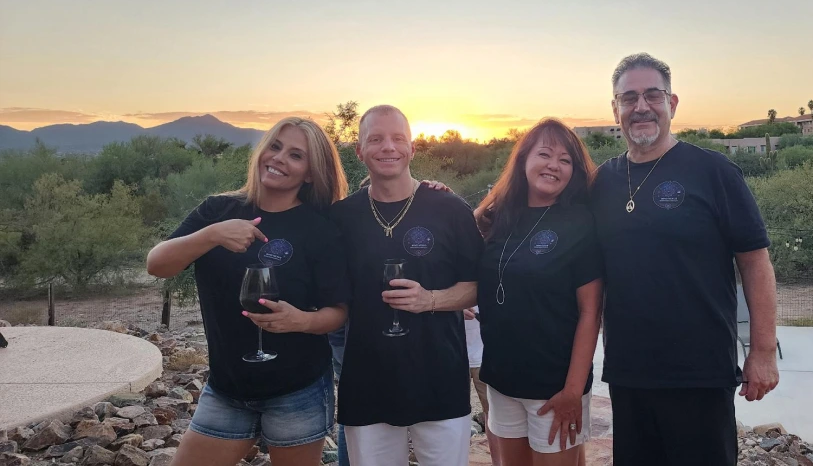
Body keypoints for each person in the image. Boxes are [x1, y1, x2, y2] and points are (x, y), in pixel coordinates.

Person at [591, 53, 780, 466]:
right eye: (629, 98)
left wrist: (763, 350)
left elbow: (755, 261)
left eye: (652, 95)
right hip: (629, 372)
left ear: (671, 104)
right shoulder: (603, 180)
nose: (641, 107)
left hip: (700, 372)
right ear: (615, 109)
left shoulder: (713, 172)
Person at [146, 117, 351, 466]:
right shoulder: (218, 210)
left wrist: (301, 320)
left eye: (296, 155)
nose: (279, 158)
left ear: (311, 173)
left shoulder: (320, 230)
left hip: (297, 391)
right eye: (275, 146)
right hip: (227, 389)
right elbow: (157, 264)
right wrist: (211, 235)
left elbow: (339, 312)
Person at [329, 104, 484, 466]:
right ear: (359, 151)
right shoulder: (341, 217)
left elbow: (478, 285)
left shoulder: (449, 208)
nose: (389, 147)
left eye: (398, 138)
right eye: (376, 139)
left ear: (413, 148)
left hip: (440, 380)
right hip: (367, 383)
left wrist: (430, 299)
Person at [474, 118, 603, 466]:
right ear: (523, 159)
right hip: (502, 381)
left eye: (565, 160)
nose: (553, 165)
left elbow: (591, 312)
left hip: (555, 387)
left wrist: (573, 391)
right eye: (544, 154)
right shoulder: (496, 216)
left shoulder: (580, 223)